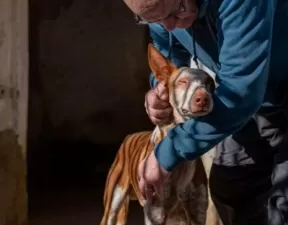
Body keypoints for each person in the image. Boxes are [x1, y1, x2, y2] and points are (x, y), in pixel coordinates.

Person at [122, 0, 288, 224]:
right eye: (152, 19)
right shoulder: (164, 11)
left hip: (250, 93)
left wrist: (167, 153)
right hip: (255, 102)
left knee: (282, 206)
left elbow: (241, 92)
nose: (168, 26)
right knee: (233, 189)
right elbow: (170, 55)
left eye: (175, 12)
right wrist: (162, 92)